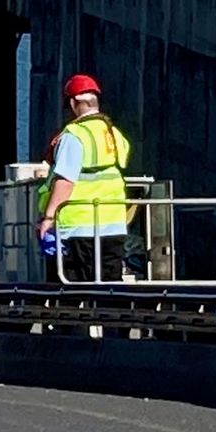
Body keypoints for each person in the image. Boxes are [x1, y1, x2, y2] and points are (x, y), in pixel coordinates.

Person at [38, 73, 132, 285]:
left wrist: (49, 217)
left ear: (72, 104)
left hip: (78, 227)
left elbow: (65, 181)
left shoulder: (74, 135)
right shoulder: (114, 134)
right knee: (110, 289)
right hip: (113, 225)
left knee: (73, 291)